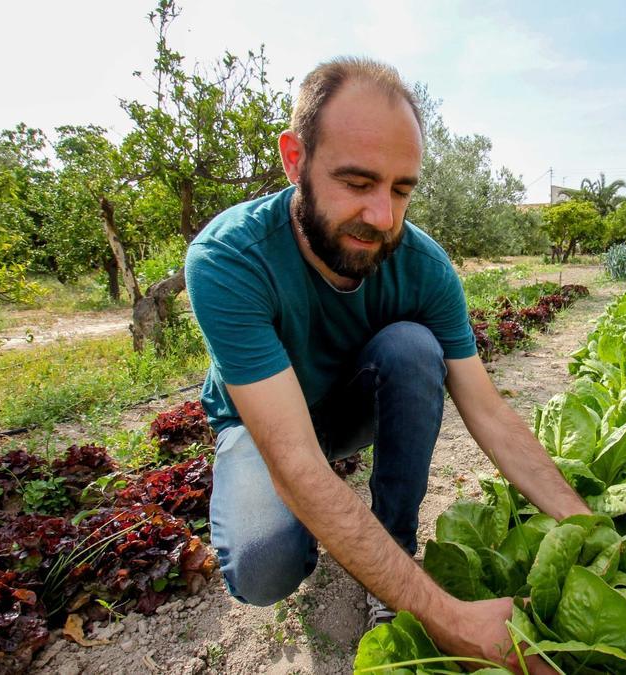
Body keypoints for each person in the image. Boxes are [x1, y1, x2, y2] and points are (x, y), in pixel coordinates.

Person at [184, 56, 588, 672]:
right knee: (264, 568)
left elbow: (488, 410)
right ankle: (334, 522)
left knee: (413, 347)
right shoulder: (229, 258)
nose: (383, 217)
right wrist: (453, 621)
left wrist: (585, 523)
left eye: (402, 189)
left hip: (350, 405)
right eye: (356, 182)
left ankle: (391, 552)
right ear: (295, 159)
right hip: (266, 424)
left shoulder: (425, 267)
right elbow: (291, 458)